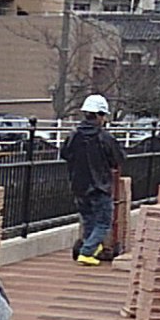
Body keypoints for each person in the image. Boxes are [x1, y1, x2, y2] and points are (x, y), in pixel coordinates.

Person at [61, 93, 126, 267]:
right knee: (104, 222)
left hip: (79, 186)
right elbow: (118, 159)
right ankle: (87, 251)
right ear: (99, 115)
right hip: (100, 186)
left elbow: (64, 154)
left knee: (88, 219)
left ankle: (92, 248)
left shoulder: (74, 135)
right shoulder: (104, 137)